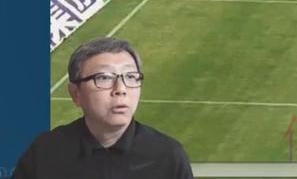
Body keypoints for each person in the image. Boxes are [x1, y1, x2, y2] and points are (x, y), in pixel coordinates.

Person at [12, 38, 193, 178]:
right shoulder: (45, 152)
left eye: (131, 77)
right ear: (76, 93)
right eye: (104, 78)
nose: (121, 89)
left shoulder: (168, 156)